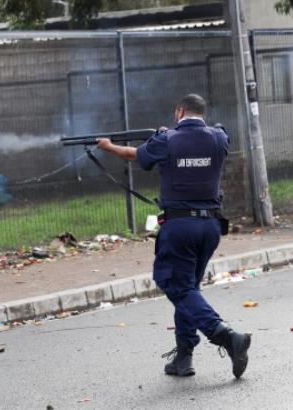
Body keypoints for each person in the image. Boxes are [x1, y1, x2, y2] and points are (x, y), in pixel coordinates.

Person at [97, 93, 251, 379]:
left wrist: (108, 147)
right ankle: (183, 358)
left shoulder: (166, 141)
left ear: (179, 111)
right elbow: (219, 132)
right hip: (211, 228)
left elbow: (137, 155)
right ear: (201, 113)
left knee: (177, 286)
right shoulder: (219, 137)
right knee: (188, 289)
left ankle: (226, 336)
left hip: (180, 227)